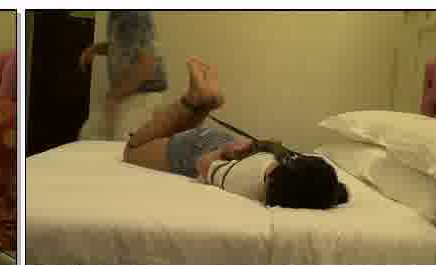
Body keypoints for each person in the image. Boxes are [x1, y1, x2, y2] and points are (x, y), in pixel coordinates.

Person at [122, 58, 349, 210]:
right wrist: (223, 153)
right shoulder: (249, 181)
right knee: (133, 149)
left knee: (167, 137)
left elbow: (270, 145)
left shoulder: (283, 158)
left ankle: (203, 103)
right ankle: (191, 101)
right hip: (205, 149)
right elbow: (203, 164)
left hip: (219, 141)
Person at [79, 11, 168, 140]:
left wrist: (116, 94)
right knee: (92, 136)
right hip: (127, 94)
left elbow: (147, 63)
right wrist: (96, 49)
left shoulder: (134, 15)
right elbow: (126, 46)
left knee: (119, 145)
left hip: (140, 97)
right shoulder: (116, 14)